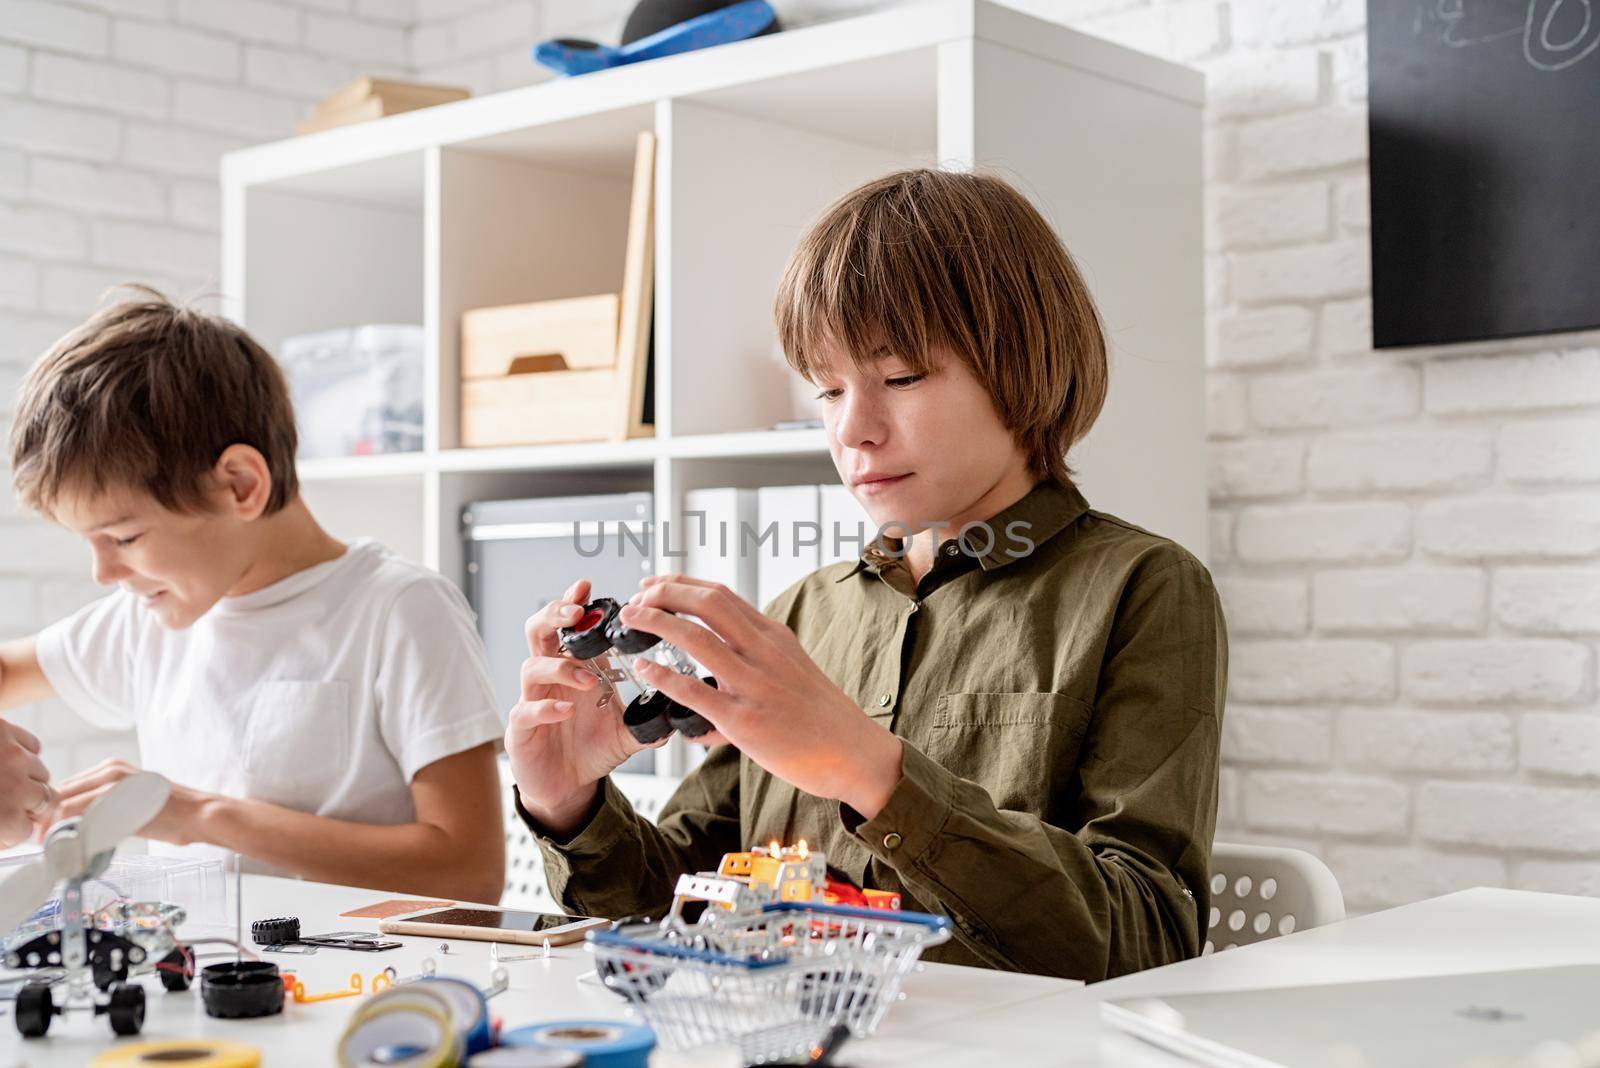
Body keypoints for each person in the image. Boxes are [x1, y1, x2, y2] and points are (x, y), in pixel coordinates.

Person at [506, 169, 1227, 979]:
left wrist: (869, 770)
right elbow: (675, 912)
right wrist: (568, 804)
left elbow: (1150, 942)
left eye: (903, 377)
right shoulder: (804, 614)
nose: (854, 429)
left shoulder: (1144, 589)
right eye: (827, 387)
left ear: (1023, 363)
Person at [0, 289, 505, 902]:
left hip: (366, 987)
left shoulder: (400, 611)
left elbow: (470, 872)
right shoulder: (148, 617)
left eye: (124, 536)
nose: (103, 573)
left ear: (239, 485)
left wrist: (197, 815)